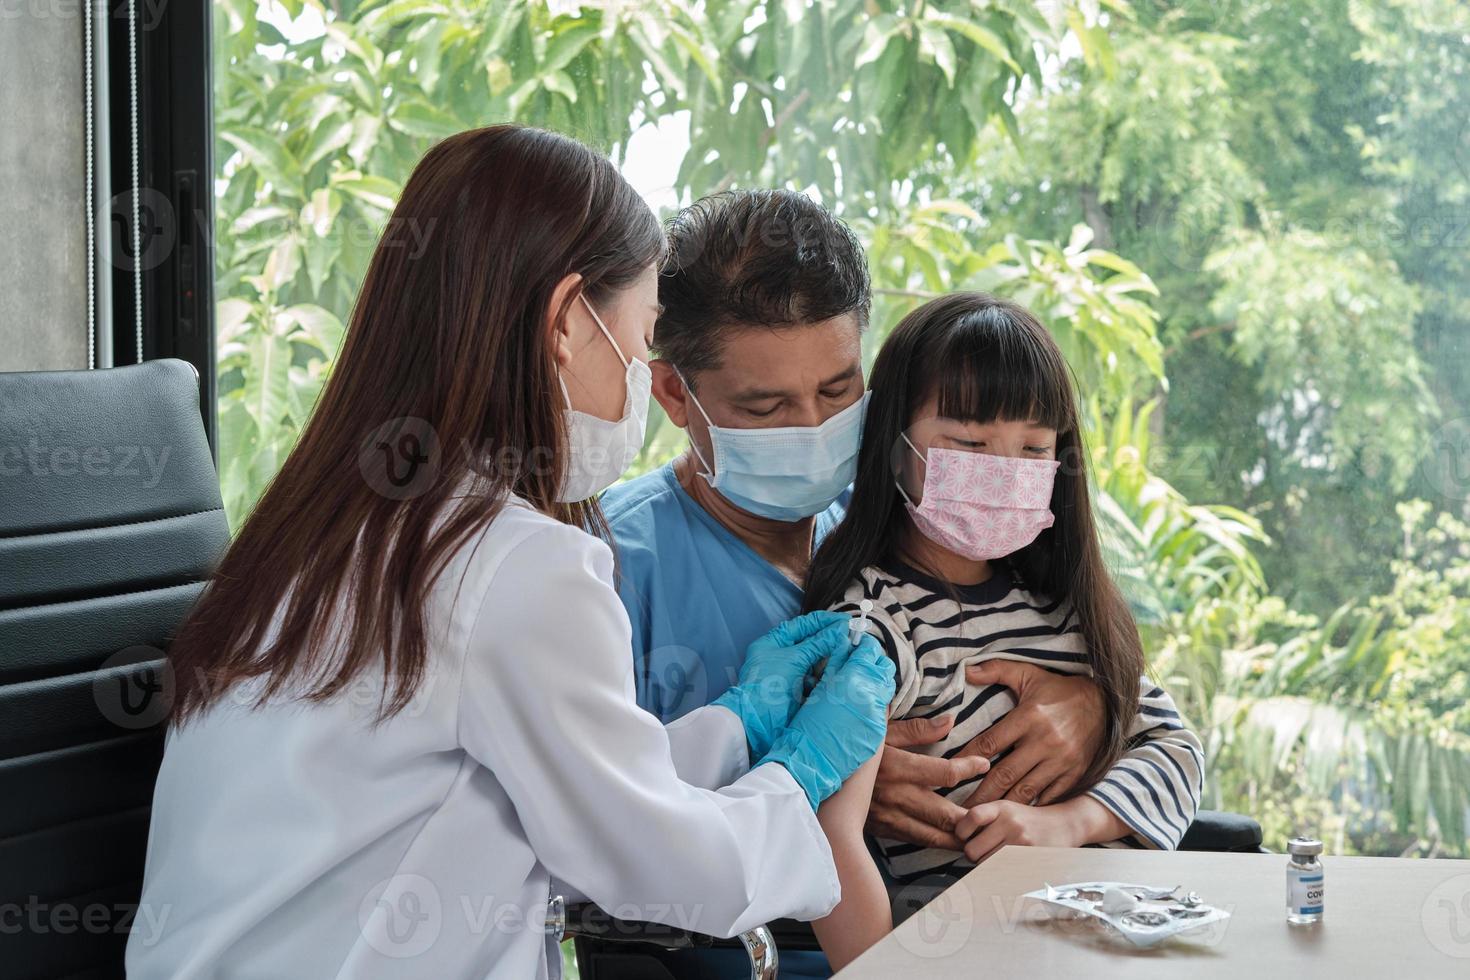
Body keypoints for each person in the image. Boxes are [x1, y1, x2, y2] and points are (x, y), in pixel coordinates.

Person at [123, 126, 895, 980]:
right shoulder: (515, 562)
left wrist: (738, 723)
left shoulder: (342, 524)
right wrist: (801, 771)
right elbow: (668, 872)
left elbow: (547, 802)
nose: (640, 378)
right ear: (567, 322)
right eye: (640, 344)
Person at [599, 190, 1114, 978]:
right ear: (674, 393)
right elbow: (586, 833)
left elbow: (1111, 674)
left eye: (838, 392)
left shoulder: (922, 518)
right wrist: (822, 786)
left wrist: (1090, 705)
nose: (811, 428)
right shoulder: (608, 565)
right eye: (764, 405)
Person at [801, 293, 1206, 969]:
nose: (1005, 469)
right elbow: (831, 836)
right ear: (894, 445)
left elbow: (1174, 751)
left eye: (1034, 448)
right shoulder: (872, 625)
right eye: (968, 443)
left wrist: (1063, 825)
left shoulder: (1067, 610)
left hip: (1115, 948)